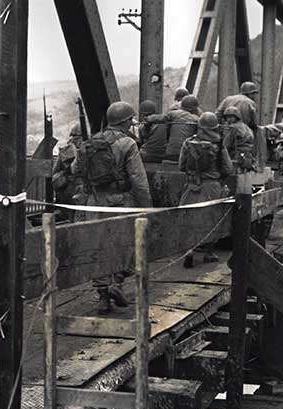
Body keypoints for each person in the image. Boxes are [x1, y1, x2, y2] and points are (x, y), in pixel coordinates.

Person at [71, 101, 152, 314]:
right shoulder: (128, 143)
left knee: (98, 249)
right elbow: (139, 180)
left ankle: (103, 298)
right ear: (125, 121)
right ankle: (117, 283)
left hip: (94, 203)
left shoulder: (90, 142)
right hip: (120, 203)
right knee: (127, 244)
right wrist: (147, 208)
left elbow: (74, 168)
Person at [178, 112, 234, 267]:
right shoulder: (219, 144)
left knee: (189, 219)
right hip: (212, 187)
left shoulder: (188, 142)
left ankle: (189, 251)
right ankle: (209, 253)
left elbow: (181, 166)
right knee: (213, 219)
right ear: (215, 127)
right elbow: (228, 169)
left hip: (191, 185)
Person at [52, 124, 85, 220]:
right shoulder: (74, 151)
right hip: (74, 192)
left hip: (67, 194)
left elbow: (55, 172)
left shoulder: (66, 150)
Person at [164, 95, 200, 162]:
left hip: (170, 153)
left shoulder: (173, 114)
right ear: (193, 108)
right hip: (185, 156)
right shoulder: (196, 119)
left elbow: (160, 119)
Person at [221, 106, 256, 172]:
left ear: (236, 117)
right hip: (248, 158)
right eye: (227, 117)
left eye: (231, 117)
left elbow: (225, 146)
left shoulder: (232, 128)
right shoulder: (246, 127)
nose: (228, 120)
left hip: (236, 158)